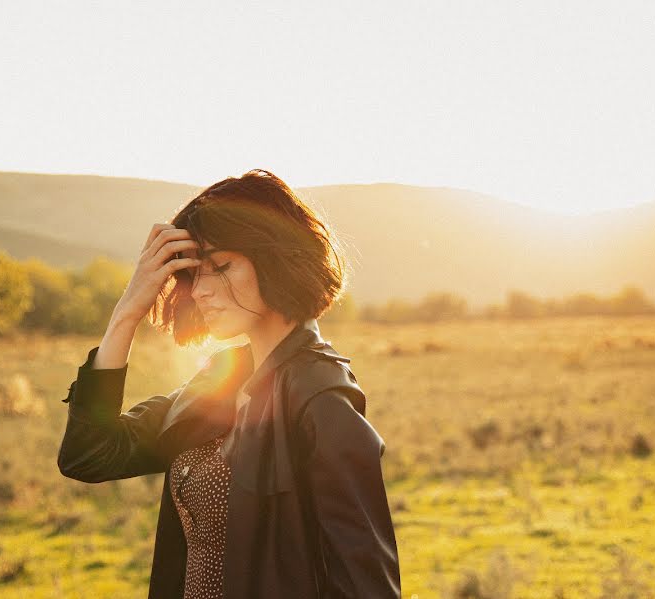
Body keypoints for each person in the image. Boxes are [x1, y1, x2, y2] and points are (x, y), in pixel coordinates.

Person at [57, 169, 401, 598]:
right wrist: (127, 312)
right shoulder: (219, 381)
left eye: (220, 266)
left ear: (277, 260)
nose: (200, 290)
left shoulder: (321, 396)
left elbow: (366, 586)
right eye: (193, 273)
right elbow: (90, 456)